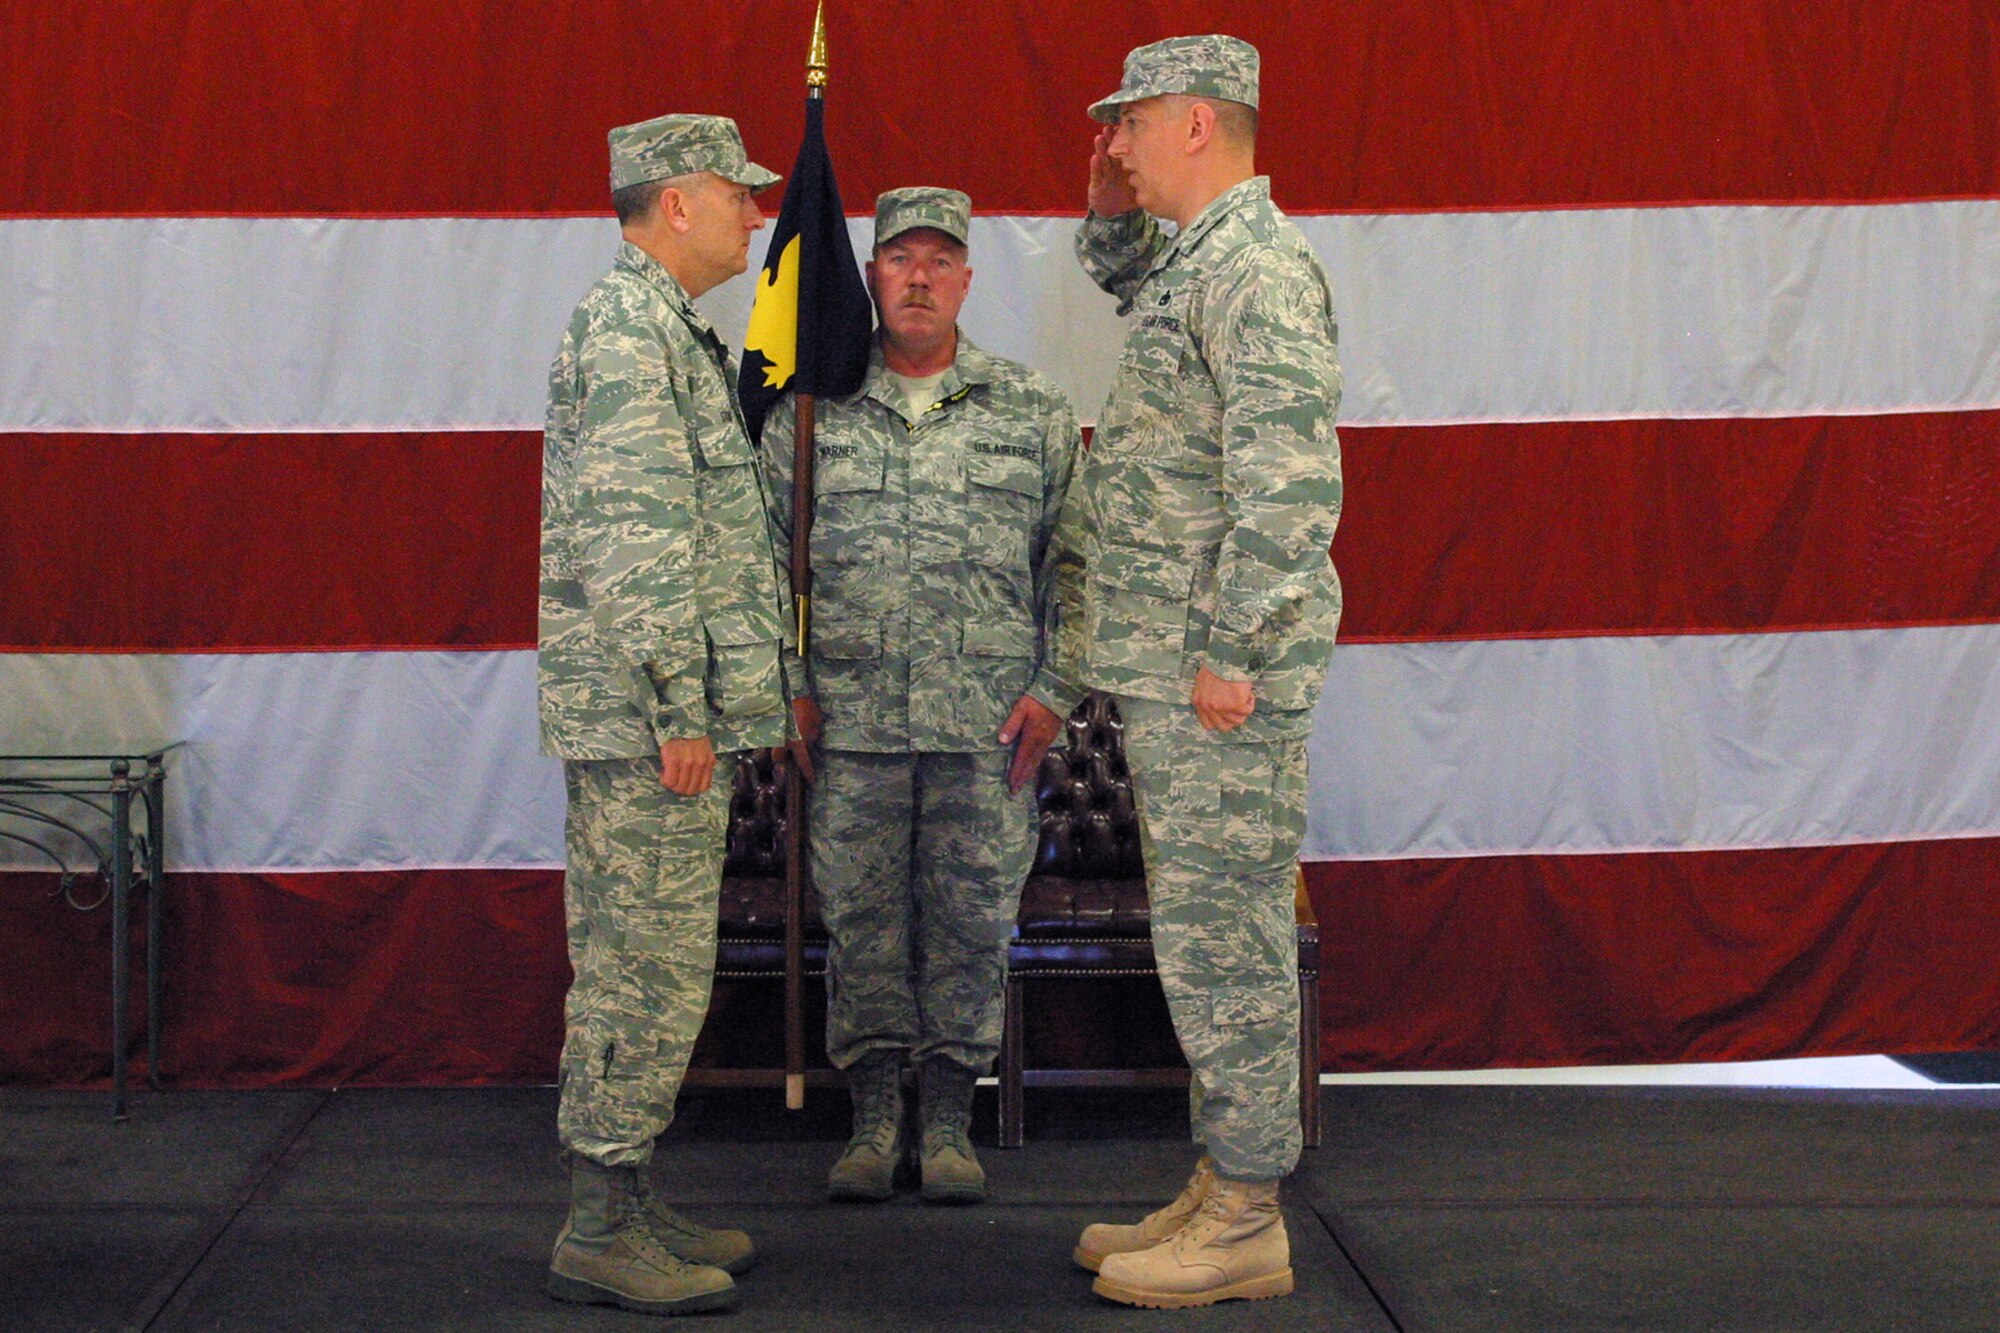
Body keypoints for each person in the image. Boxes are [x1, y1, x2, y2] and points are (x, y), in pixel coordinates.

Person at [1056, 35, 1345, 1308]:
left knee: (1226, 941)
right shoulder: (1196, 259)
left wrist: (1231, 649)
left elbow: (1286, 485)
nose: (1109, 140)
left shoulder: (1259, 268)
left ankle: (1244, 1213)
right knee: (1201, 933)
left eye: (1127, 124)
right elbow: (1127, 278)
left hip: (1216, 674)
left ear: (1193, 124)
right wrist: (1105, 206)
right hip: (1177, 669)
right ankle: (1220, 1173)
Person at [761, 187, 1085, 1205]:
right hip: (850, 727)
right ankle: (871, 1119)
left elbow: (1074, 562)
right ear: (868, 275)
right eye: (900, 258)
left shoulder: (1027, 410)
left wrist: (1051, 691)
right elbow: (764, 563)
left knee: (970, 922)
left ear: (966, 281)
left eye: (940, 260)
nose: (918, 277)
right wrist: (790, 687)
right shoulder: (810, 413)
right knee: (859, 924)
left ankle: (947, 1116)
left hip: (986, 730)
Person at [537, 112, 801, 1316]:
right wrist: (676, 709)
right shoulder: (626, 332)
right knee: (637, 970)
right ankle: (597, 1223)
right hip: (653, 724)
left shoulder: (663, 329)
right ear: (678, 201)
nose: (758, 212)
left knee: (658, 965)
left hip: (667, 718)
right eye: (738, 194)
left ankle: (629, 1192)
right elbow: (634, 538)